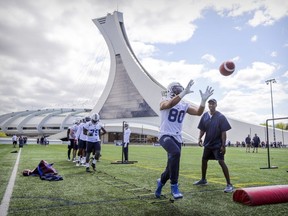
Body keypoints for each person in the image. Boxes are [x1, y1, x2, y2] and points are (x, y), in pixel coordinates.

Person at [155, 80, 214, 199]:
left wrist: (203, 101)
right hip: (165, 135)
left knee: (170, 167)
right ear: (171, 91)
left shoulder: (183, 105)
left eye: (180, 90)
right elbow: (169, 105)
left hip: (177, 137)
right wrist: (183, 94)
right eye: (177, 90)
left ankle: (160, 185)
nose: (179, 91)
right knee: (175, 153)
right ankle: (174, 185)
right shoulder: (164, 100)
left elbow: (198, 112)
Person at [193, 98, 233, 193]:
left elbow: (224, 132)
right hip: (208, 143)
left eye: (213, 104)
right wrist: (199, 138)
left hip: (217, 144)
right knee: (204, 160)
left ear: (216, 105)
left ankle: (229, 184)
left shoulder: (221, 117)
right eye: (209, 104)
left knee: (221, 162)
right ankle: (203, 179)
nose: (211, 105)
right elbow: (202, 129)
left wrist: (223, 145)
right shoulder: (205, 115)